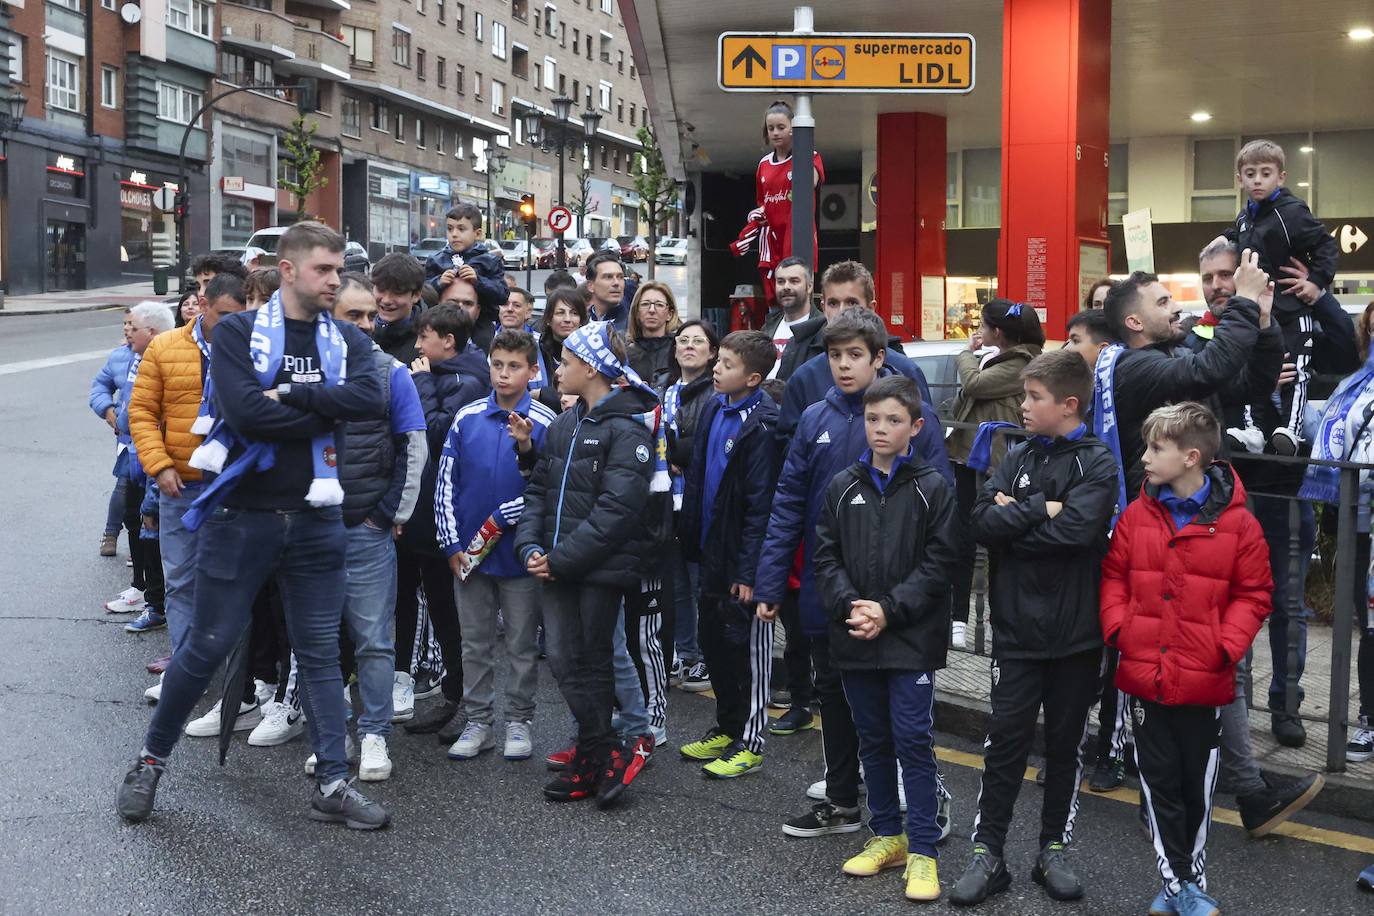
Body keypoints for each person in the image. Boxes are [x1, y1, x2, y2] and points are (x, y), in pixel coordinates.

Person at [116, 222, 391, 830]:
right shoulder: (239, 329)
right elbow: (240, 412)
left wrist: (287, 397)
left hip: (318, 519)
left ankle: (332, 783)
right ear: (288, 270)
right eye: (324, 269)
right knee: (206, 645)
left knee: (319, 654)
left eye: (339, 269)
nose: (335, 280)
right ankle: (148, 763)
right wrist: (320, 404)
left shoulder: (345, 338)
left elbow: (373, 401)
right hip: (242, 516)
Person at [755, 308, 953, 840]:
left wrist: (900, 600)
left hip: (901, 598)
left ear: (879, 358)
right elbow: (789, 502)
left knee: (905, 714)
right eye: (834, 355)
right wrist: (771, 582)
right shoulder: (816, 418)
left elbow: (940, 507)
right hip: (833, 588)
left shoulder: (915, 418)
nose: (843, 366)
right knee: (835, 694)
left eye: (855, 356)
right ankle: (842, 800)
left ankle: (928, 800)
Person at [952, 349, 1119, 906]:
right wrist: (1039, 508)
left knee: (1066, 745)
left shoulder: (1097, 461)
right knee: (1004, 742)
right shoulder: (1018, 453)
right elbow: (980, 522)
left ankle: (1053, 849)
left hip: (1075, 631)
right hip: (1017, 628)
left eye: (1033, 398)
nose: (1023, 407)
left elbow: (1077, 531)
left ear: (1069, 404)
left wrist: (1018, 512)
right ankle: (988, 852)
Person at [1101, 403, 1272, 916]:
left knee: (1196, 784)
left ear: (1191, 457)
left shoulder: (1239, 524)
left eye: (1157, 448)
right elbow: (1114, 576)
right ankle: (1178, 886)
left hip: (1204, 675)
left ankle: (1186, 879)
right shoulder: (1137, 514)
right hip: (1144, 672)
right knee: (1157, 783)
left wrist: (1225, 646)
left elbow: (1254, 593)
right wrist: (1119, 629)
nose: (1146, 457)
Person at [1190, 241, 1358, 749]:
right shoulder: (1196, 335)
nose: (1219, 286)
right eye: (1211, 278)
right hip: (1223, 491)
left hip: (1285, 489)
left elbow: (1349, 350)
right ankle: (1229, 703)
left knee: (1287, 604)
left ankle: (1287, 706)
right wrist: (1259, 365)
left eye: (1227, 275)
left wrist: (1318, 292)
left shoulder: (1293, 322)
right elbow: (1206, 388)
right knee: (1219, 601)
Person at [812, 375, 957, 903]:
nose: (880, 428)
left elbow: (941, 563)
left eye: (893, 420)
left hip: (909, 637)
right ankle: (887, 835)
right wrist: (853, 606)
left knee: (912, 740)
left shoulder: (932, 487)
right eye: (873, 419)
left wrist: (888, 610)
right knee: (871, 737)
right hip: (855, 632)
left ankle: (923, 850)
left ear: (915, 427)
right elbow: (824, 556)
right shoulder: (842, 485)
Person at [513, 320, 663, 808]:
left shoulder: (627, 431)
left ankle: (600, 757)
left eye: (568, 362)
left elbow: (617, 513)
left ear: (593, 368)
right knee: (561, 659)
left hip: (596, 571)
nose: (559, 370)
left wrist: (560, 560)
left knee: (593, 663)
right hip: (555, 567)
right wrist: (531, 548)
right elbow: (537, 491)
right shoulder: (562, 425)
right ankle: (603, 750)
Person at [314, 271, 429, 782]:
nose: (366, 324)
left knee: (374, 640)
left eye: (370, 316)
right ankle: (332, 736)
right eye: (352, 315)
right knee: (318, 642)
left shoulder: (391, 374)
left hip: (365, 529)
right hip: (311, 532)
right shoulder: (303, 372)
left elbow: (414, 447)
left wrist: (386, 514)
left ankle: (375, 734)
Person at [435, 329, 556, 761]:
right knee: (475, 642)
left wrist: (519, 518)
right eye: (497, 365)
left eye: (514, 366)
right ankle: (479, 720)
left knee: (522, 644)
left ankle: (519, 720)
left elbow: (549, 486)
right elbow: (445, 484)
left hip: (520, 555)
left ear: (532, 371)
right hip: (469, 551)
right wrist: (451, 543)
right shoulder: (466, 417)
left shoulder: (544, 422)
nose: (503, 375)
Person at [128, 274, 249, 702]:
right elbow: (140, 412)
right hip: (179, 487)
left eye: (242, 316)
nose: (234, 325)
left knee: (232, 582)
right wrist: (159, 466)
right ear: (202, 303)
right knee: (180, 580)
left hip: (236, 487)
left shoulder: (256, 346)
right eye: (224, 317)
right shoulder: (164, 347)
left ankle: (240, 682)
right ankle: (183, 672)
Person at [677, 331, 780, 778]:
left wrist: (750, 569)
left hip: (742, 562)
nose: (716, 369)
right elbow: (700, 478)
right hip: (711, 553)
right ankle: (726, 725)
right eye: (717, 361)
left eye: (727, 365)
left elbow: (761, 504)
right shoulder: (716, 407)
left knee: (748, 654)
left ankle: (752, 742)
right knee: (715, 645)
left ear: (753, 378)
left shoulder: (763, 424)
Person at [395, 295, 491, 731]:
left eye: (424, 337)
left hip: (444, 512)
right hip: (423, 509)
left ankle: (462, 701)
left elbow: (434, 431)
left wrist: (422, 383)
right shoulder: (447, 372)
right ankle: (453, 695)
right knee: (433, 604)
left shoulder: (464, 380)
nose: (418, 346)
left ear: (448, 342)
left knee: (449, 611)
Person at [1215, 139, 1340, 456]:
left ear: (1281, 177)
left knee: (1296, 369)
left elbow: (1327, 246)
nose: (1257, 180)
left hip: (1292, 307)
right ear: (1240, 178)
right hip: (1257, 309)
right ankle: (1250, 429)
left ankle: (1293, 431)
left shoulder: (1292, 213)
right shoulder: (1245, 217)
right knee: (1249, 365)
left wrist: (1315, 281)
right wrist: (1223, 240)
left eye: (1266, 173)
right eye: (1250, 173)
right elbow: (1237, 234)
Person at [946, 300, 1046, 650]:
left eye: (984, 326)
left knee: (994, 544)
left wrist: (964, 353)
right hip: (968, 459)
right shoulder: (999, 359)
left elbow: (972, 385)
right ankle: (959, 620)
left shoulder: (1020, 364)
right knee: (962, 539)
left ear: (997, 332)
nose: (979, 332)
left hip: (996, 465)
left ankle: (990, 622)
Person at [107, 302, 176, 635]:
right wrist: (112, 414)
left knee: (156, 533)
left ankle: (160, 606)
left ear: (151, 332)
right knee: (138, 524)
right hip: (136, 457)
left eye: (132, 326)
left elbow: (149, 416)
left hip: (157, 464)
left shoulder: (164, 360)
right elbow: (126, 408)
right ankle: (149, 597)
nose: (126, 331)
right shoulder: (133, 358)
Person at [664, 319, 720, 693]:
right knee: (677, 584)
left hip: (699, 499)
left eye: (697, 341)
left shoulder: (716, 394)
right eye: (682, 340)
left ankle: (703, 655)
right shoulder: (665, 391)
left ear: (712, 351)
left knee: (701, 583)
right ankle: (684, 651)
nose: (688, 347)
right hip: (668, 498)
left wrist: (683, 451)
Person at [732, 100, 825, 303]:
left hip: (797, 236)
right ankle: (775, 328)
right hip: (771, 239)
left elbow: (811, 182)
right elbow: (761, 201)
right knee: (774, 294)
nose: (775, 133)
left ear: (794, 128)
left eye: (781, 127)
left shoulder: (810, 157)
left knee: (797, 287)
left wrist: (803, 148)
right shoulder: (763, 165)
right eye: (771, 128)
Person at [422, 202, 508, 347]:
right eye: (450, 229)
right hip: (443, 322)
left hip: (479, 324)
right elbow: (423, 292)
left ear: (478, 233)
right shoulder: (436, 260)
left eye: (461, 229)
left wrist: (478, 281)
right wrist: (438, 282)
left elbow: (502, 294)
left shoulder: (489, 261)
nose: (454, 234)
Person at [91, 312, 135, 558]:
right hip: (128, 436)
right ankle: (111, 534)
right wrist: (108, 410)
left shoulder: (161, 350)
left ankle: (142, 543)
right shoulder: (119, 356)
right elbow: (100, 386)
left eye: (133, 325)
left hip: (157, 433)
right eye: (126, 324)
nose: (128, 329)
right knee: (125, 482)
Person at [761, 256, 822, 379]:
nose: (786, 287)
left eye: (794, 281)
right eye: (781, 281)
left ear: (809, 286)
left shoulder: (821, 327)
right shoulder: (768, 326)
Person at [533, 287, 588, 414]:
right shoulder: (534, 350)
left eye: (574, 313)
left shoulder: (590, 355)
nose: (567, 319)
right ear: (548, 319)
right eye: (560, 313)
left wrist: (544, 394)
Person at [371, 253, 429, 364]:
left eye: (397, 292)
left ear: (416, 295)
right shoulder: (361, 331)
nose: (386, 300)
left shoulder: (425, 343)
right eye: (381, 290)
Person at [625, 281, 682, 391]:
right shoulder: (625, 354)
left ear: (669, 314)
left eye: (659, 305)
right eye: (645, 304)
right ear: (637, 312)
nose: (652, 310)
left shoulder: (679, 350)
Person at [584, 251, 629, 333]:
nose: (616, 283)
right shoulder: (579, 324)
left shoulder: (636, 327)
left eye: (620, 277)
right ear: (590, 286)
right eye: (608, 277)